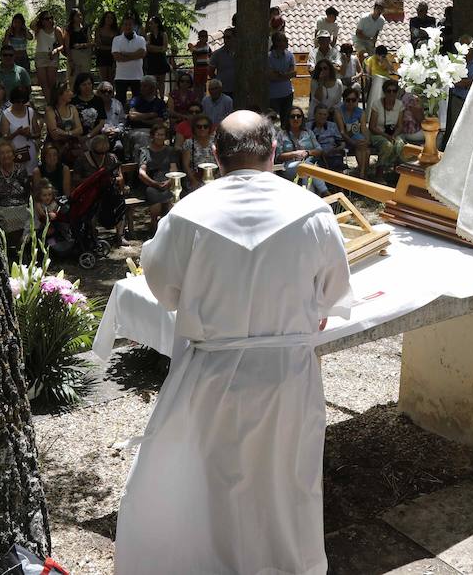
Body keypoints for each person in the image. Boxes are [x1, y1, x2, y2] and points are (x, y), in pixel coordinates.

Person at [114, 110, 352, 575]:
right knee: (286, 478)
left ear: (217, 157)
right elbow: (334, 294)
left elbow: (163, 290)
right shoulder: (313, 212)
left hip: (215, 375)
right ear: (273, 153)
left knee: (216, 479)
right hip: (288, 375)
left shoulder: (187, 215)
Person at [73, 133, 127, 244]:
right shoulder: (82, 159)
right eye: (98, 153)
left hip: (108, 191)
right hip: (89, 193)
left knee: (119, 202)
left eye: (104, 152)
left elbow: (120, 177)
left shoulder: (111, 158)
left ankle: (120, 235)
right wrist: (93, 180)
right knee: (91, 207)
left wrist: (110, 180)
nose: (102, 155)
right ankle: (93, 236)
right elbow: (76, 180)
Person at [136, 121, 179, 233]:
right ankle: (154, 231)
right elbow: (142, 172)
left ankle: (170, 232)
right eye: (158, 134)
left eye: (163, 135)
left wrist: (169, 181)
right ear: (153, 136)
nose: (161, 137)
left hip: (168, 181)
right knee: (156, 208)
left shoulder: (170, 150)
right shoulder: (145, 151)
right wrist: (153, 183)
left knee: (171, 204)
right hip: (151, 182)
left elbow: (173, 168)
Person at [0, 140, 31, 250]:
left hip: (21, 204)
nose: (6, 155)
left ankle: (22, 248)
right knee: (5, 218)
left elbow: (27, 189)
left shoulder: (20, 169)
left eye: (8, 152)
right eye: (2, 153)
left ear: (13, 154)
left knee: (28, 218)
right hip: (2, 206)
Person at [278, 107, 327, 194]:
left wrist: (308, 152)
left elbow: (319, 150)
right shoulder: (282, 134)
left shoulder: (308, 133)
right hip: (289, 166)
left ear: (302, 118)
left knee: (306, 172)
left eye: (298, 116)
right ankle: (325, 191)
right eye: (292, 116)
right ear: (288, 119)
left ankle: (310, 198)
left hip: (309, 164)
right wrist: (295, 153)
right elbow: (278, 156)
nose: (296, 119)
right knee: (305, 167)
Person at [444, 35, 473, 142]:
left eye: (467, 47)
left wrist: (465, 81)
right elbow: (453, 81)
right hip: (458, 101)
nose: (464, 50)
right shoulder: (454, 61)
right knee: (457, 131)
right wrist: (471, 81)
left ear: (472, 47)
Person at [368, 79, 406, 173]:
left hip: (394, 133)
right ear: (384, 92)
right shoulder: (376, 104)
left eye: (394, 91)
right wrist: (386, 136)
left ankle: (398, 172)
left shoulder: (400, 104)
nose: (391, 93)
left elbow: (400, 126)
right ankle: (379, 172)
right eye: (389, 91)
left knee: (400, 144)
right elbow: (372, 127)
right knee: (387, 145)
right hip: (379, 133)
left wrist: (393, 136)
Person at [1, 85, 41, 175]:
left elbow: (38, 133)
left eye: (23, 102)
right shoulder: (6, 114)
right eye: (17, 102)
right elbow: (5, 137)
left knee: (32, 176)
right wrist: (17, 133)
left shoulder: (30, 112)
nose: (20, 104)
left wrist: (29, 135)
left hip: (30, 151)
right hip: (14, 153)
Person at [126, 77, 168, 157]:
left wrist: (140, 118)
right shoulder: (136, 100)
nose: (142, 88)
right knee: (142, 137)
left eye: (145, 86)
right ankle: (146, 164)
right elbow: (132, 115)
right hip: (135, 129)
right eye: (141, 86)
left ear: (152, 88)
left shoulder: (160, 103)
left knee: (141, 143)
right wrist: (152, 114)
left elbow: (159, 121)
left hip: (154, 130)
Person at [112, 15, 148, 102]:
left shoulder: (141, 39)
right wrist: (135, 55)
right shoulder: (116, 39)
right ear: (122, 26)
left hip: (137, 76)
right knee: (120, 101)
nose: (128, 26)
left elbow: (142, 54)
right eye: (125, 24)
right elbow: (117, 57)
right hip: (121, 76)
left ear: (134, 26)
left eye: (130, 24)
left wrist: (124, 54)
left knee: (139, 101)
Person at [43, 81, 83, 159]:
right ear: (59, 94)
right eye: (67, 91)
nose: (71, 93)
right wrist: (72, 134)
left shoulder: (72, 108)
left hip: (73, 145)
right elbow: (55, 136)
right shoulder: (50, 110)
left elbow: (80, 130)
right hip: (56, 147)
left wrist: (65, 133)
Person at [32, 10, 65, 104]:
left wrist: (56, 50)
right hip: (40, 56)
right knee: (43, 83)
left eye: (51, 18)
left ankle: (54, 102)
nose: (49, 20)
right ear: (42, 20)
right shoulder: (38, 29)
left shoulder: (57, 30)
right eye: (46, 18)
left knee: (52, 83)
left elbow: (62, 45)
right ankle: (49, 103)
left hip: (52, 56)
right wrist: (39, 14)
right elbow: (31, 24)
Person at [336, 88, 370, 178]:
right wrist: (353, 142)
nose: (351, 102)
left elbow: (363, 128)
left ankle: (362, 173)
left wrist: (367, 140)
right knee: (363, 148)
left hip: (357, 138)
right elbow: (342, 132)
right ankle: (363, 174)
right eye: (348, 100)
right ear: (344, 100)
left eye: (353, 100)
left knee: (365, 148)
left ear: (357, 100)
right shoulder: (339, 111)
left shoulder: (361, 112)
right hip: (343, 139)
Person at [180, 115, 215, 192]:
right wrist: (193, 181)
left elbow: (222, 162)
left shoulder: (215, 142)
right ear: (194, 128)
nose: (202, 129)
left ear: (209, 128)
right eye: (199, 126)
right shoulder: (189, 143)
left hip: (215, 177)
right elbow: (185, 165)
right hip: (195, 178)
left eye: (205, 126)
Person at [266, 31, 297, 116]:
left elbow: (294, 73)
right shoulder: (269, 57)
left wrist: (279, 74)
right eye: (281, 40)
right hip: (273, 95)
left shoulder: (290, 55)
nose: (284, 43)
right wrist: (286, 75)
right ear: (275, 42)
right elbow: (271, 76)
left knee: (286, 120)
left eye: (285, 40)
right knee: (273, 119)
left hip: (288, 93)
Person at [311, 105, 347, 171]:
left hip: (332, 153)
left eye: (324, 114)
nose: (322, 117)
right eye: (320, 114)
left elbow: (342, 143)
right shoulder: (308, 126)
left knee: (337, 163)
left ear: (327, 115)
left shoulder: (332, 126)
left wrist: (335, 150)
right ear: (314, 115)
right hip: (315, 154)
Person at [70, 73, 105, 140]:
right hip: (76, 136)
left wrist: (88, 136)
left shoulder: (98, 100)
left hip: (95, 136)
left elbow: (101, 122)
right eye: (84, 85)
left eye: (89, 84)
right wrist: (79, 138)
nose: (87, 87)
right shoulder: (73, 101)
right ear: (78, 86)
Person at [96, 81, 128, 155]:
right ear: (98, 93)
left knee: (119, 147)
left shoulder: (117, 104)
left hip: (115, 135)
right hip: (99, 134)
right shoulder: (95, 105)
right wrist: (104, 130)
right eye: (103, 91)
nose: (106, 94)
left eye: (109, 92)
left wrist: (117, 130)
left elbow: (122, 121)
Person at [142, 14, 171, 92]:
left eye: (151, 23)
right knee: (153, 82)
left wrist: (153, 48)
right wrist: (159, 48)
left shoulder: (163, 34)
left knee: (162, 82)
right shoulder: (148, 35)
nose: (150, 25)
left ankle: (161, 98)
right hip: (152, 61)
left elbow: (165, 48)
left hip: (161, 60)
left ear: (157, 24)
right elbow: (148, 48)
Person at [364, 44, 397, 111]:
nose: (382, 57)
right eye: (381, 56)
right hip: (375, 80)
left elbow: (392, 70)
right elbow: (368, 73)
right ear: (377, 54)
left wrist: (385, 62)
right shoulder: (371, 59)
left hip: (385, 80)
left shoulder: (386, 60)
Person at [63, 8, 94, 80]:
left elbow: (91, 43)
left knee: (85, 78)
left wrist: (81, 45)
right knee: (73, 79)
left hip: (85, 55)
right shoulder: (68, 30)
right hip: (73, 55)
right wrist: (70, 60)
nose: (80, 17)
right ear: (72, 17)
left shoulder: (86, 28)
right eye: (77, 16)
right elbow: (67, 46)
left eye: (80, 15)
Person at [209, 27, 238, 96]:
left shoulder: (242, 53)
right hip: (222, 90)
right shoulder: (217, 54)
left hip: (238, 89)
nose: (225, 40)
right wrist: (218, 82)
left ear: (234, 38)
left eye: (228, 37)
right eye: (224, 37)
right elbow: (210, 72)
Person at [93, 11, 119, 80]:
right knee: (104, 79)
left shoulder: (116, 31)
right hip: (102, 56)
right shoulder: (98, 30)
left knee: (111, 79)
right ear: (104, 18)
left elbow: (117, 46)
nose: (109, 19)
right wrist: (110, 47)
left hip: (113, 57)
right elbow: (98, 45)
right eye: (107, 17)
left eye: (111, 18)